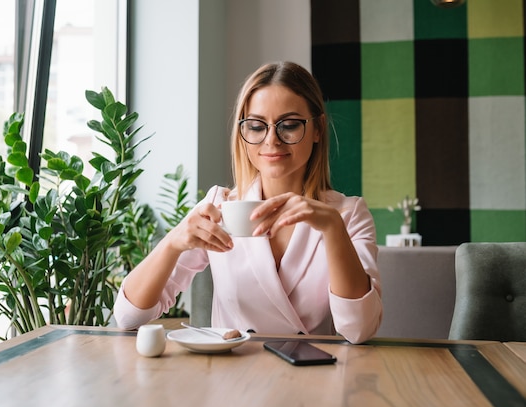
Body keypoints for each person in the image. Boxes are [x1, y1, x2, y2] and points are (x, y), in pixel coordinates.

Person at [114, 61, 382, 344]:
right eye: (256, 127)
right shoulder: (219, 207)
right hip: (232, 377)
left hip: (312, 376)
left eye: (289, 125)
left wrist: (332, 228)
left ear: (317, 129)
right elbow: (128, 316)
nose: (271, 141)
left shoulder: (347, 215)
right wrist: (172, 243)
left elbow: (359, 329)